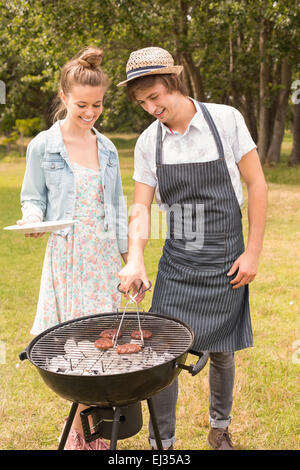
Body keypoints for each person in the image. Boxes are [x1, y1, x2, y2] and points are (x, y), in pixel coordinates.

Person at [117, 47, 268, 450]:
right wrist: (135, 258)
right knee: (162, 352)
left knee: (222, 350)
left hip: (226, 254)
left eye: (155, 97)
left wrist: (252, 253)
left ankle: (220, 428)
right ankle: (161, 444)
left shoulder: (226, 120)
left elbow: (257, 185)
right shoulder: (150, 142)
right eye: (142, 102)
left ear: (173, 83)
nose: (151, 107)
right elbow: (141, 207)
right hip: (179, 259)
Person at [18, 46, 133, 450]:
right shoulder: (43, 147)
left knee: (102, 343)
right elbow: (32, 198)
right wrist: (33, 220)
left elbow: (116, 208)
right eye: (82, 104)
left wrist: (129, 263)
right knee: (73, 349)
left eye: (97, 105)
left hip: (101, 259)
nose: (90, 112)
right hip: (67, 259)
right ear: (64, 97)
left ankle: (90, 433)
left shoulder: (108, 149)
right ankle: (86, 434)